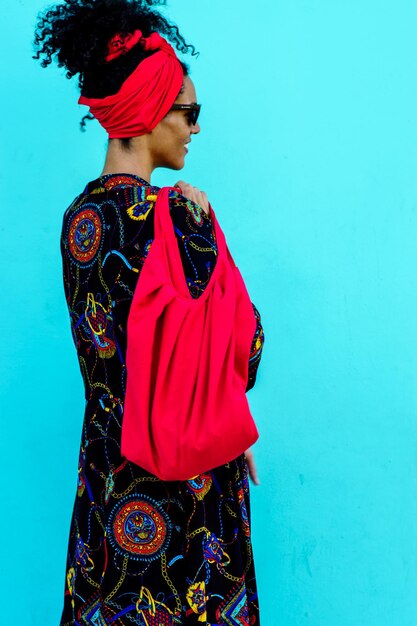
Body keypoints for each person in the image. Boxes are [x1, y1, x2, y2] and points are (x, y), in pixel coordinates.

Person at [33, 0, 265, 623]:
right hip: (190, 488)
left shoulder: (77, 221)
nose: (194, 128)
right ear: (149, 112)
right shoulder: (181, 218)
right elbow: (246, 346)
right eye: (188, 112)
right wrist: (205, 225)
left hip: (110, 474)